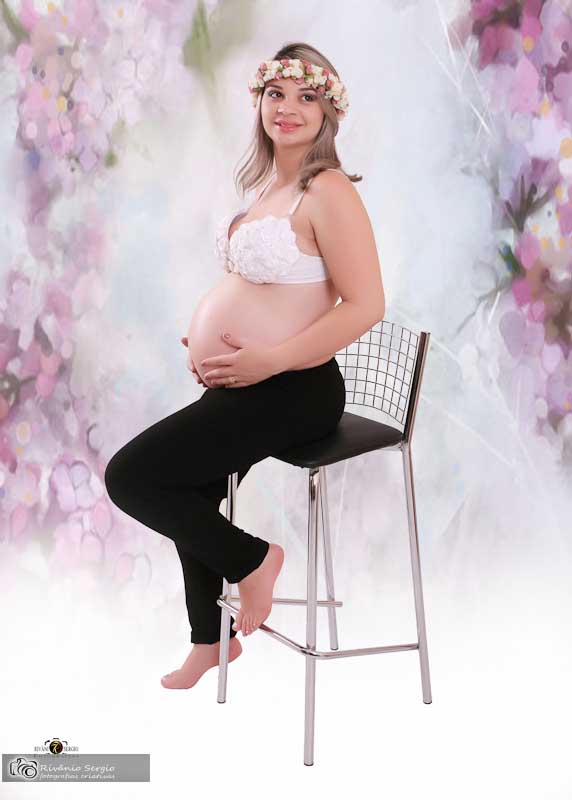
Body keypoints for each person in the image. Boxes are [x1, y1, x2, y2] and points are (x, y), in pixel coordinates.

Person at [104, 41, 385, 690]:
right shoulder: (269, 188)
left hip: (298, 388)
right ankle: (212, 639)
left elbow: (366, 304)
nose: (287, 108)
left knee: (131, 476)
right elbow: (266, 293)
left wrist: (270, 358)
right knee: (188, 485)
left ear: (327, 112)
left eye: (305, 97)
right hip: (252, 383)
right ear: (259, 102)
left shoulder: (328, 190)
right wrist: (211, 343)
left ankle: (255, 560)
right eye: (275, 94)